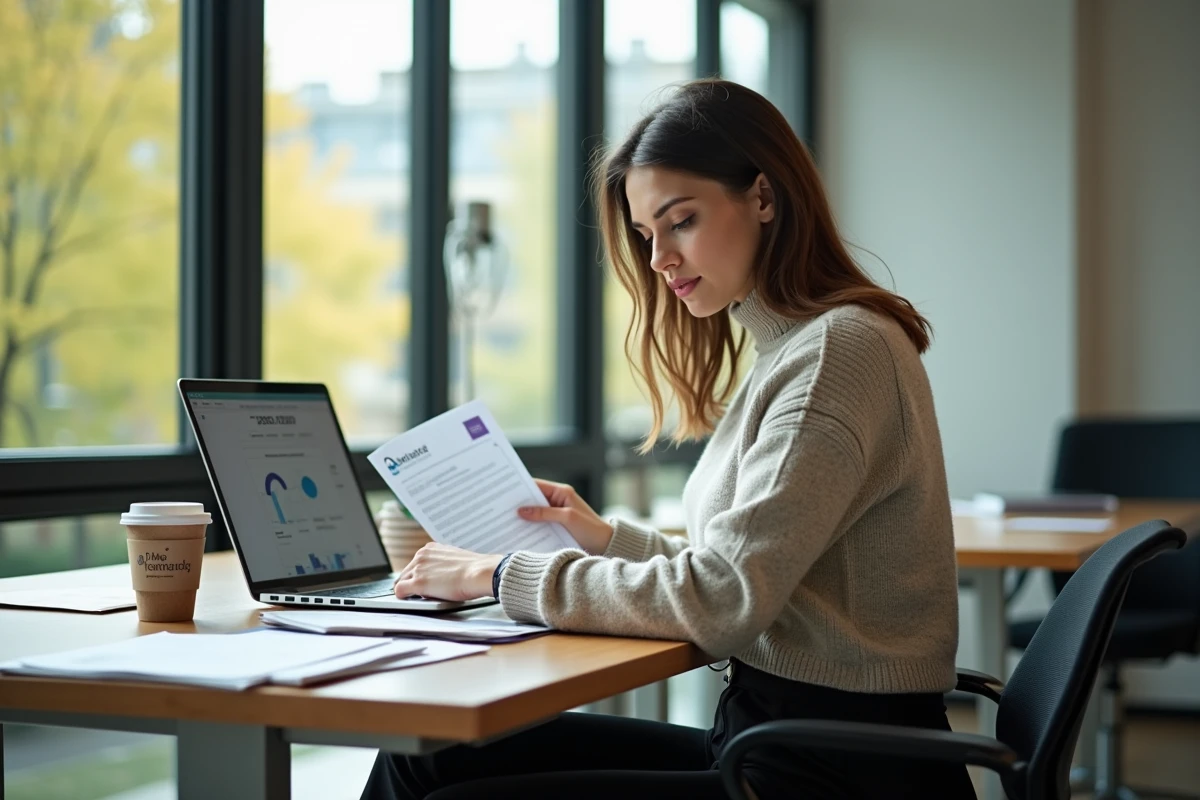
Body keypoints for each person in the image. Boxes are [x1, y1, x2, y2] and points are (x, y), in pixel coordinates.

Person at [360, 79, 975, 800]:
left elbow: (722, 600)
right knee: (427, 755)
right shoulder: (795, 349)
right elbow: (744, 572)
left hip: (830, 769)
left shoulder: (835, 353)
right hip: (778, 741)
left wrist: (496, 575)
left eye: (680, 221)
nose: (658, 259)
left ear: (764, 197)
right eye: (648, 235)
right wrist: (603, 538)